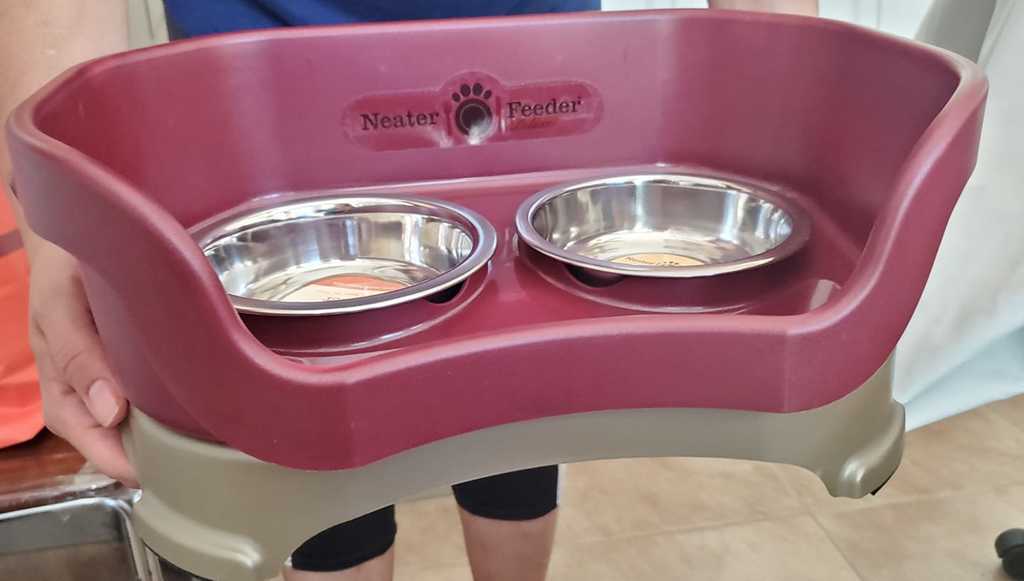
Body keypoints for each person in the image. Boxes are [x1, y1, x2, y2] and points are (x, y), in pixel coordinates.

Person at [0, 1, 816, 580]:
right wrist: (60, 210)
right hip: (264, 91)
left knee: (523, 392)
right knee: (313, 431)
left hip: (537, 69)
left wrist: (787, 111)